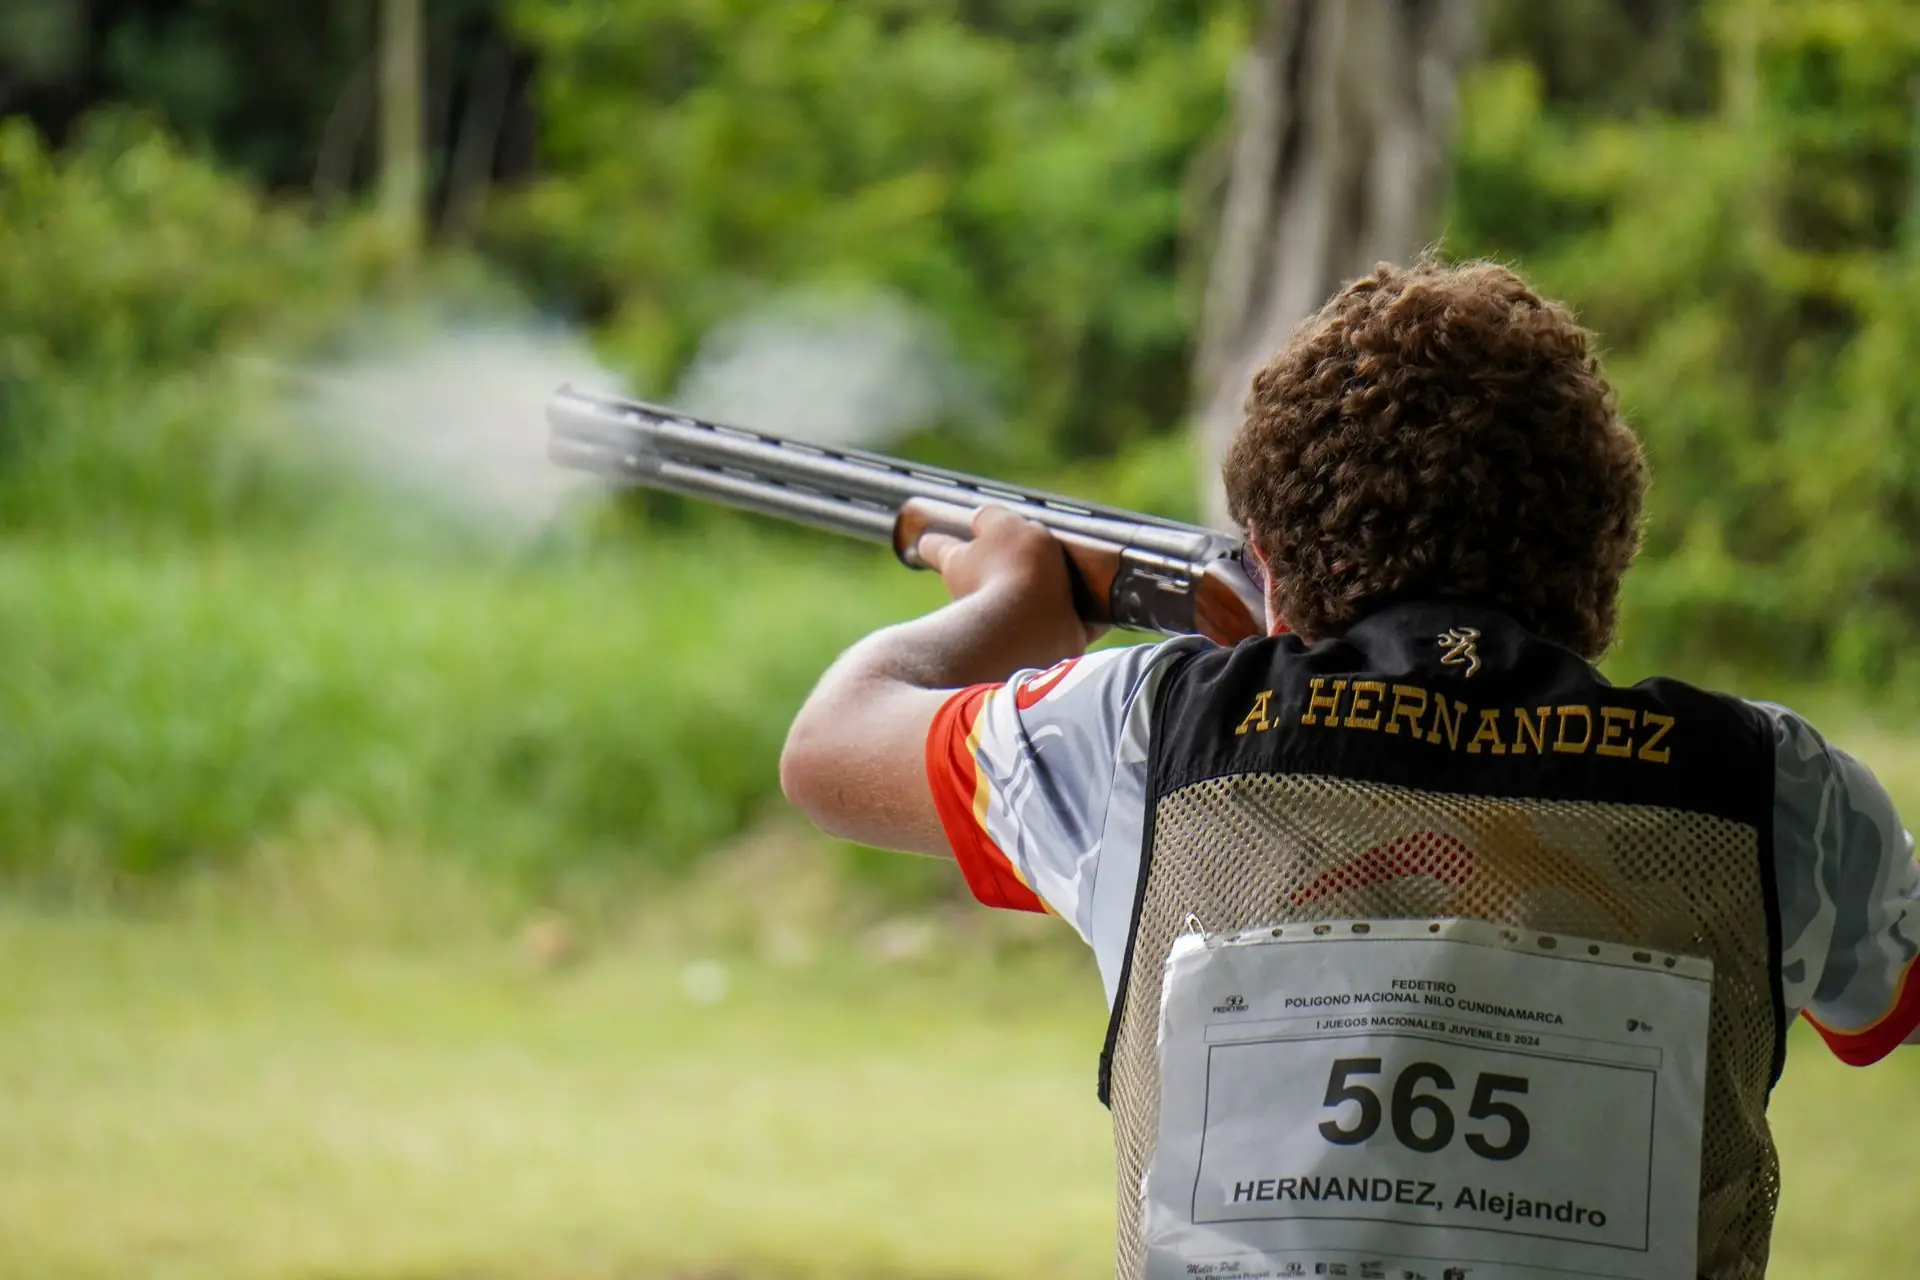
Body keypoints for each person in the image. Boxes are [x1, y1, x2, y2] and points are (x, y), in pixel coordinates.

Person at [778, 260, 1919, 1280]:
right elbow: (1891, 1008)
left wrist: (1007, 605)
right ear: (1606, 555)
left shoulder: (1151, 732)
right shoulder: (1777, 788)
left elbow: (830, 749)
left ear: (1266, 565)